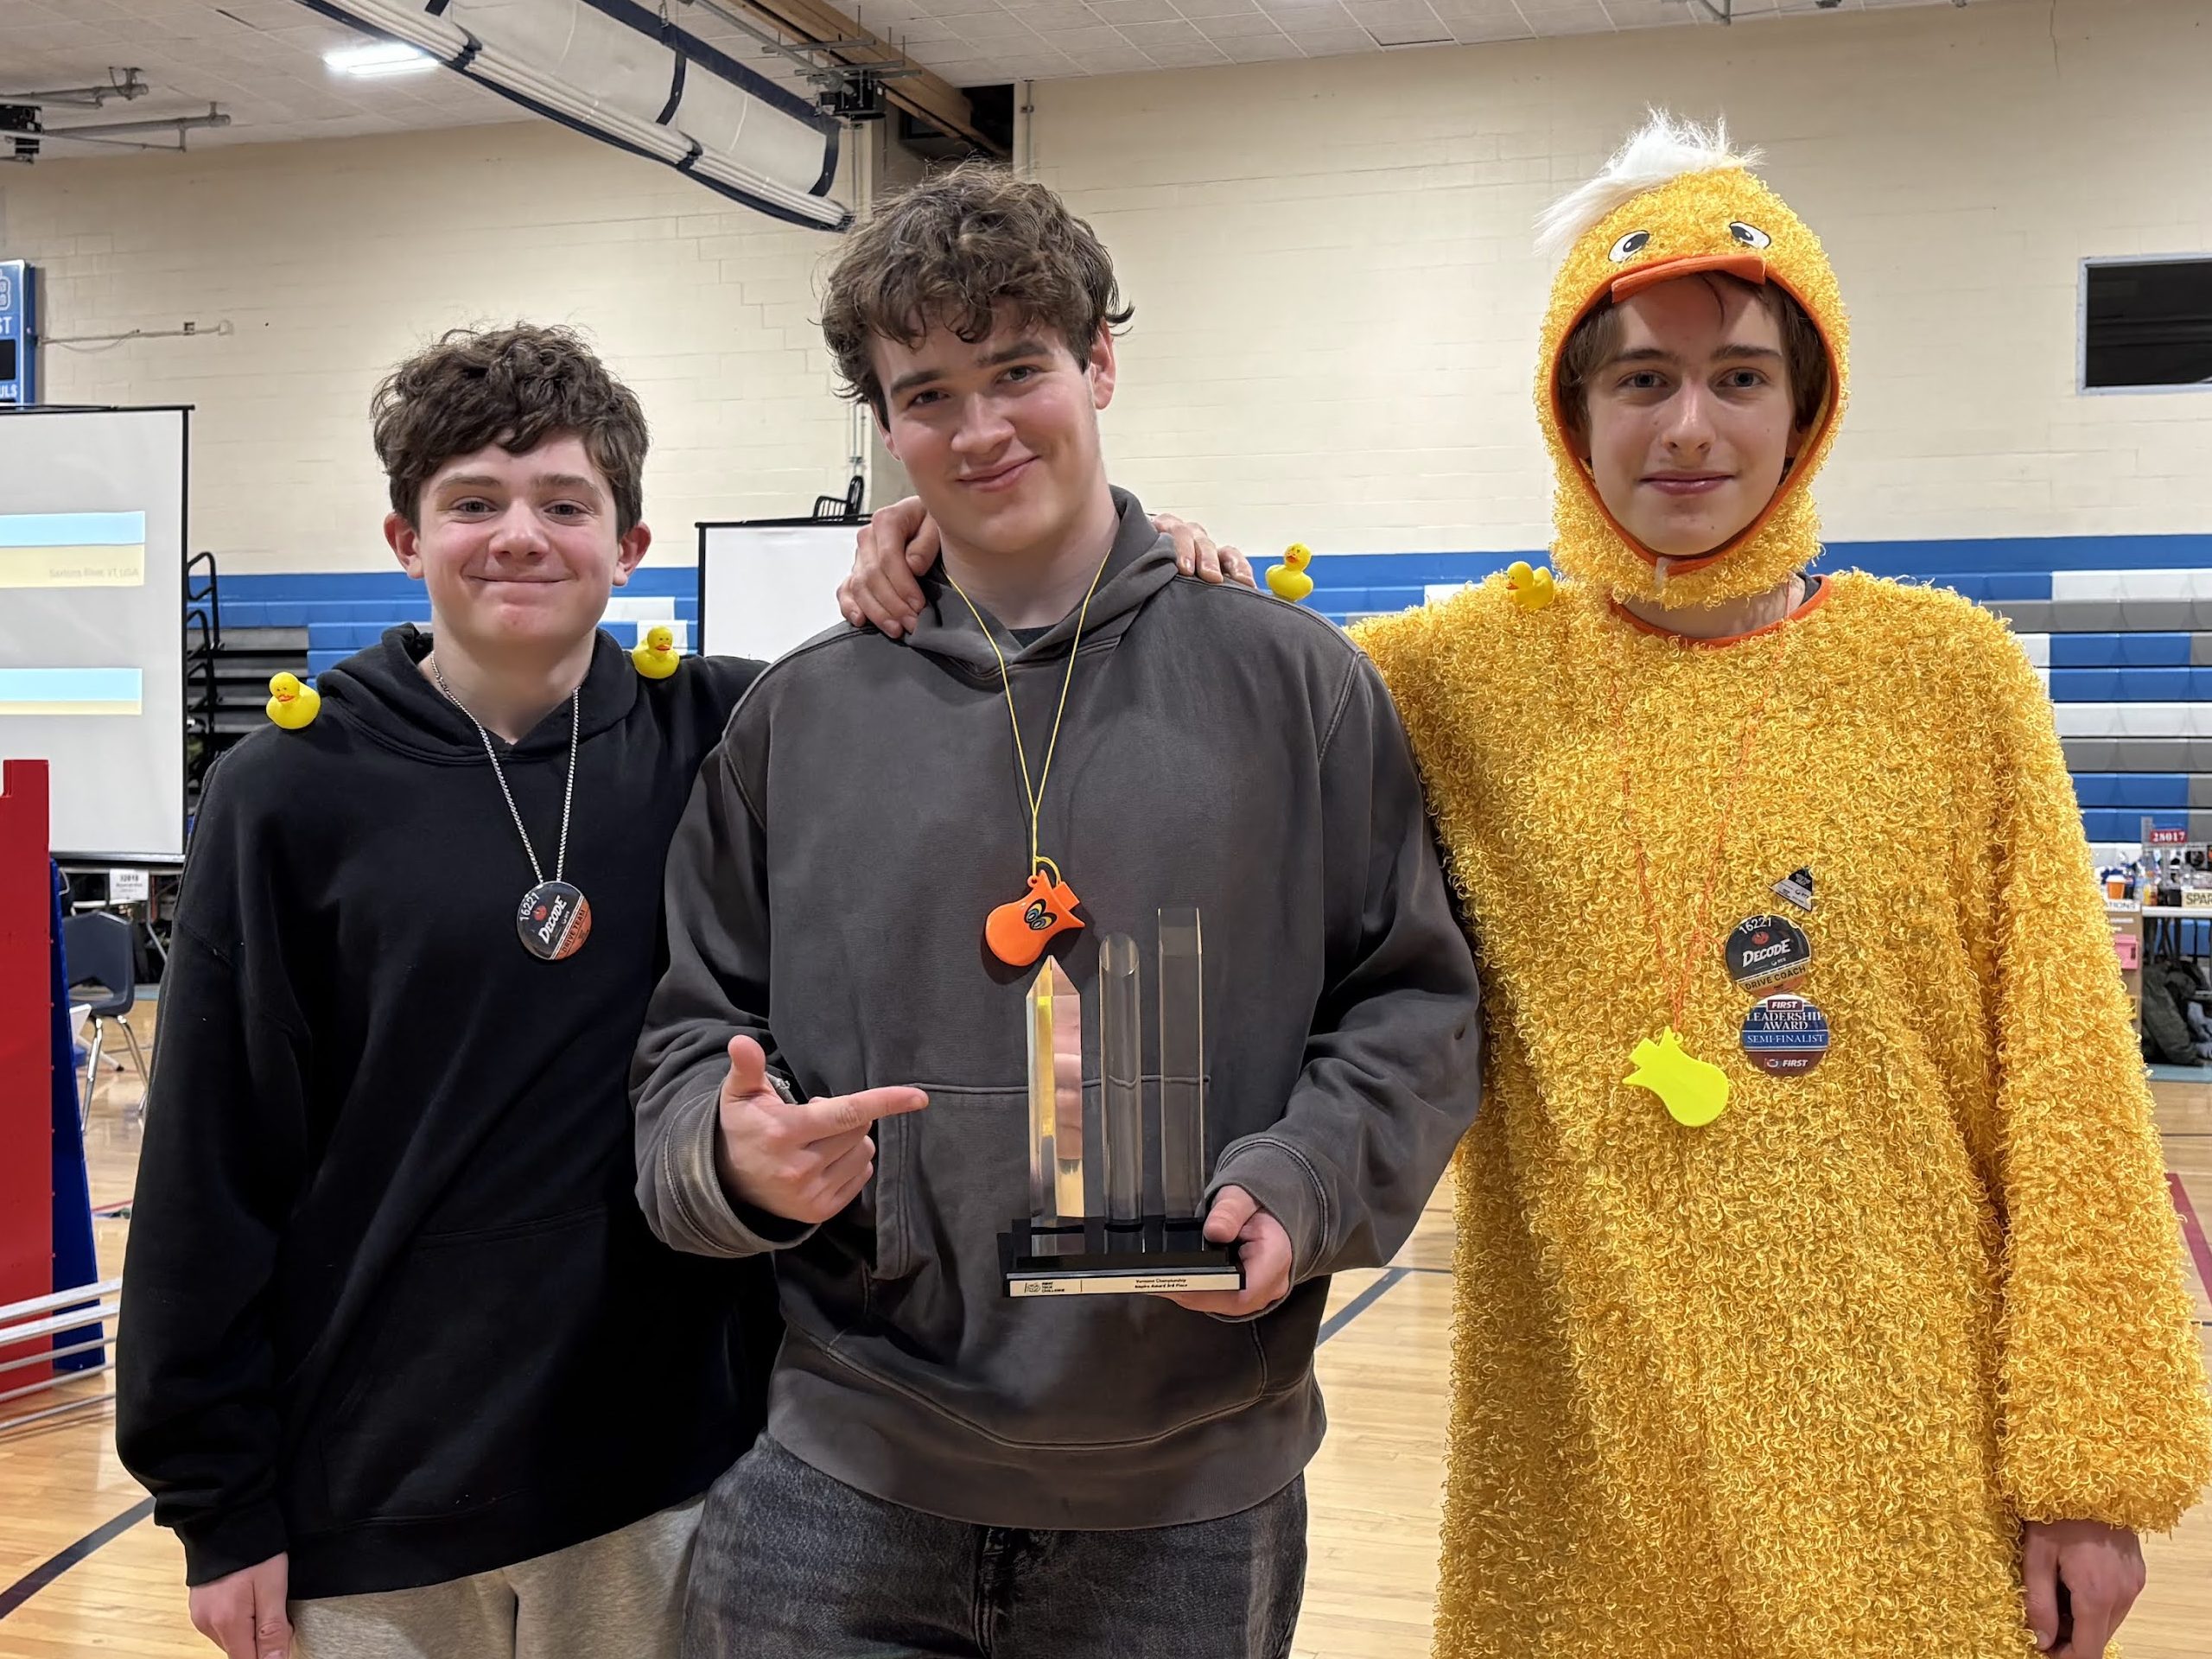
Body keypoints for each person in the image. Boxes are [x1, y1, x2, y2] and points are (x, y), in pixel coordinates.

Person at [842, 117, 2212, 1659]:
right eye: (1639, 378)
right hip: (1579, 1462)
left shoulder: (1948, 680)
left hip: (1904, 1453)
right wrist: (953, 534)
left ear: (1807, 403)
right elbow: (1201, 676)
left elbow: (2075, 1102)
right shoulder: (1457, 678)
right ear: (1570, 410)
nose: (1689, 427)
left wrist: (2090, 1480)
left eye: (1739, 377)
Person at [630, 162, 1481, 1659]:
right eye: (927, 392)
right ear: (884, 428)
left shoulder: (1296, 686)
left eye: (1018, 369)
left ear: (1099, 365)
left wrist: (1301, 1180)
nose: (978, 428)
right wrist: (730, 1155)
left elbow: (1412, 1008)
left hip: (1189, 1496)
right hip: (847, 1470)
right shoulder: (797, 719)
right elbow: (694, 1033)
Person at [118, 324, 781, 1659]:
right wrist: (218, 1503)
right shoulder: (289, 792)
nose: (518, 536)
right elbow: (214, 1160)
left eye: (564, 503)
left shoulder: (724, 737)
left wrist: (1152, 550)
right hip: (374, 1492)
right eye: (472, 502)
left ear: (631, 545)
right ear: (403, 539)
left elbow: (963, 664)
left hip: (662, 1481)